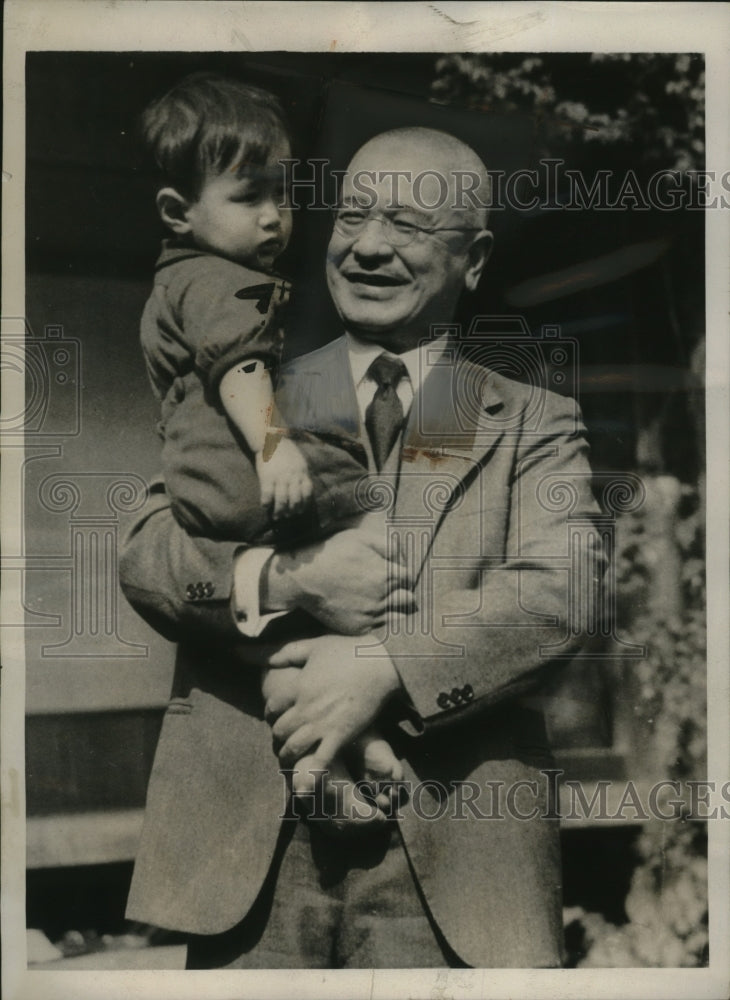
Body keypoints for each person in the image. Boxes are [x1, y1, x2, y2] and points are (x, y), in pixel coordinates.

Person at [120, 125, 607, 968]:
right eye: (352, 217)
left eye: (409, 227)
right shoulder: (254, 386)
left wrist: (382, 667)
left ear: (475, 258)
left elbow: (563, 589)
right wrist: (284, 579)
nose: (369, 247)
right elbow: (145, 550)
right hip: (251, 853)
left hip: (457, 860)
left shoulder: (531, 418)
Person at [137, 72, 403, 817]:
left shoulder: (182, 281)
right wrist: (273, 446)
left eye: (285, 193)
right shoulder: (216, 281)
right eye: (249, 196)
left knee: (283, 656)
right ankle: (353, 750)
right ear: (177, 212)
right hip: (252, 485)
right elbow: (239, 367)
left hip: (223, 501)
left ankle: (347, 756)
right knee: (375, 534)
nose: (276, 217)